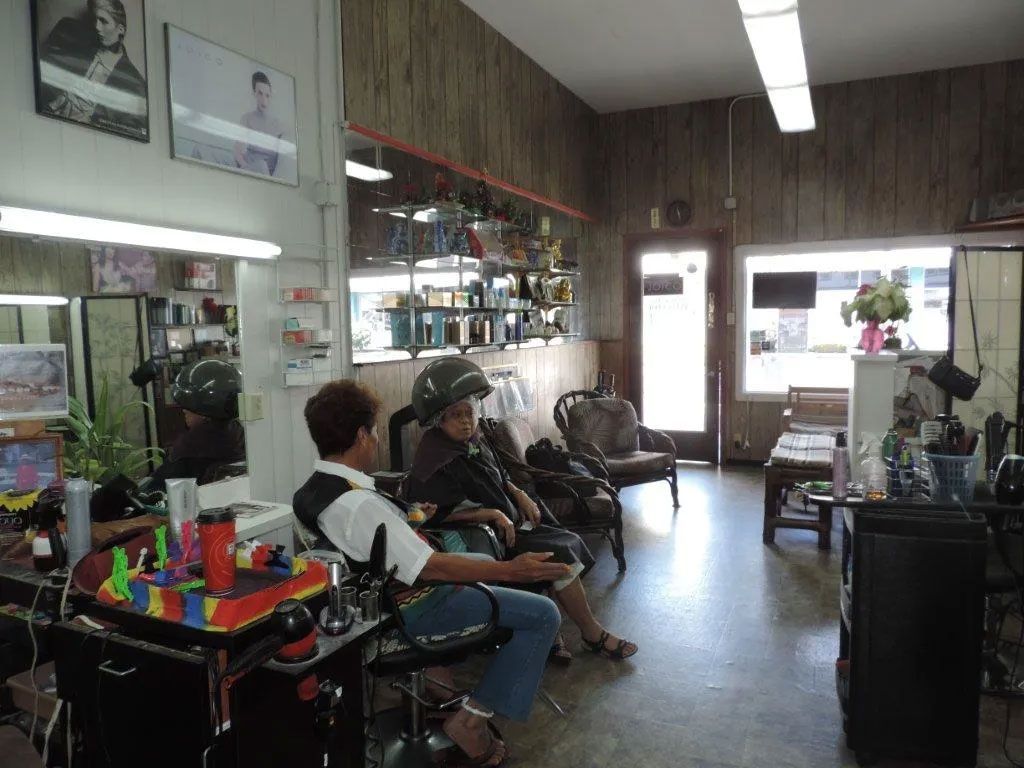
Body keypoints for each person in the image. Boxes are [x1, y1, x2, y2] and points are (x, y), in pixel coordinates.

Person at [294, 380, 568, 767]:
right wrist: (511, 570)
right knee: (543, 614)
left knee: (481, 566)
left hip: (373, 607)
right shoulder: (357, 505)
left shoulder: (315, 490)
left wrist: (407, 518)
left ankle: (442, 688)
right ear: (361, 435)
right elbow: (430, 567)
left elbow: (366, 546)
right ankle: (470, 723)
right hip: (410, 612)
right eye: (373, 432)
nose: (375, 440)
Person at [406, 358, 638, 663]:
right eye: (456, 415)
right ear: (438, 420)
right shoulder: (433, 458)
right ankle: (591, 633)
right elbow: (430, 514)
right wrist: (491, 514)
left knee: (562, 539)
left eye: (469, 413)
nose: (466, 422)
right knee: (557, 556)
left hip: (512, 521)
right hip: (484, 539)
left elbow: (500, 474)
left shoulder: (474, 440)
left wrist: (519, 494)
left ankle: (552, 630)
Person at [37, 0, 147, 136]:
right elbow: (43, 69)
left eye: (103, 21)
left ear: (120, 30)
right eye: (94, 19)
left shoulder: (135, 83)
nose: (97, 27)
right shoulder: (69, 34)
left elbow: (135, 130)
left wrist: (93, 124)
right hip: (45, 116)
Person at [150, 360, 245, 488]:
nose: (184, 410)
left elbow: (155, 489)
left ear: (206, 408)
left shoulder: (190, 449)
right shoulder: (239, 433)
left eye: (189, 405)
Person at [234, 71, 285, 177]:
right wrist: (245, 167)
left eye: (267, 95)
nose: (263, 100)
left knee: (262, 165)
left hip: (264, 172)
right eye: (260, 94)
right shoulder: (247, 118)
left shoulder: (278, 124)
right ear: (254, 94)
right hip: (247, 166)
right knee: (204, 151)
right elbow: (238, 152)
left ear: (271, 96)